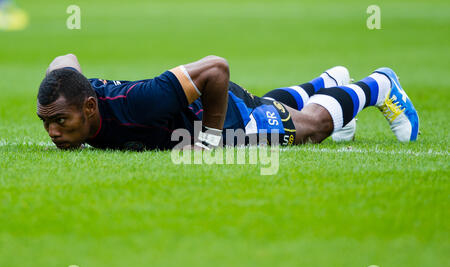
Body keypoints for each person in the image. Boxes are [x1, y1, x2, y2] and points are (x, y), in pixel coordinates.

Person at [36, 54, 419, 151]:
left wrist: (211, 139)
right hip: (211, 106)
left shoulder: (140, 103)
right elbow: (63, 61)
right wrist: (58, 89)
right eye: (47, 123)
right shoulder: (75, 96)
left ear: (90, 107)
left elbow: (216, 69)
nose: (53, 132)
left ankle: (379, 85)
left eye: (60, 122)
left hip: (223, 119)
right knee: (268, 103)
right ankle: (329, 82)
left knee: (315, 127)